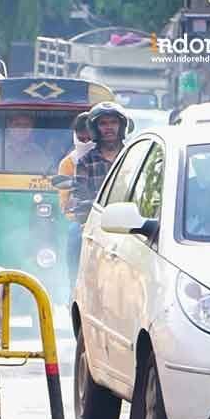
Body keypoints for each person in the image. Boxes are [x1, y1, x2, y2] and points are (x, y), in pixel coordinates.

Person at [67, 102, 129, 290]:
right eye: (103, 123)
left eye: (113, 122)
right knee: (74, 237)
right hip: (96, 222)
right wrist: (89, 208)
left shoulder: (133, 155)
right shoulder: (85, 161)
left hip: (130, 223)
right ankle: (74, 290)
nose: (109, 128)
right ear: (95, 128)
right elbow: (79, 193)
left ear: (121, 126)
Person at [57, 112, 93, 290]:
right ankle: (73, 285)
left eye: (89, 138)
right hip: (81, 219)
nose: (85, 142)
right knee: (75, 236)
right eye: (81, 138)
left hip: (109, 215)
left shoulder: (113, 156)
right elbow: (65, 204)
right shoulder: (68, 163)